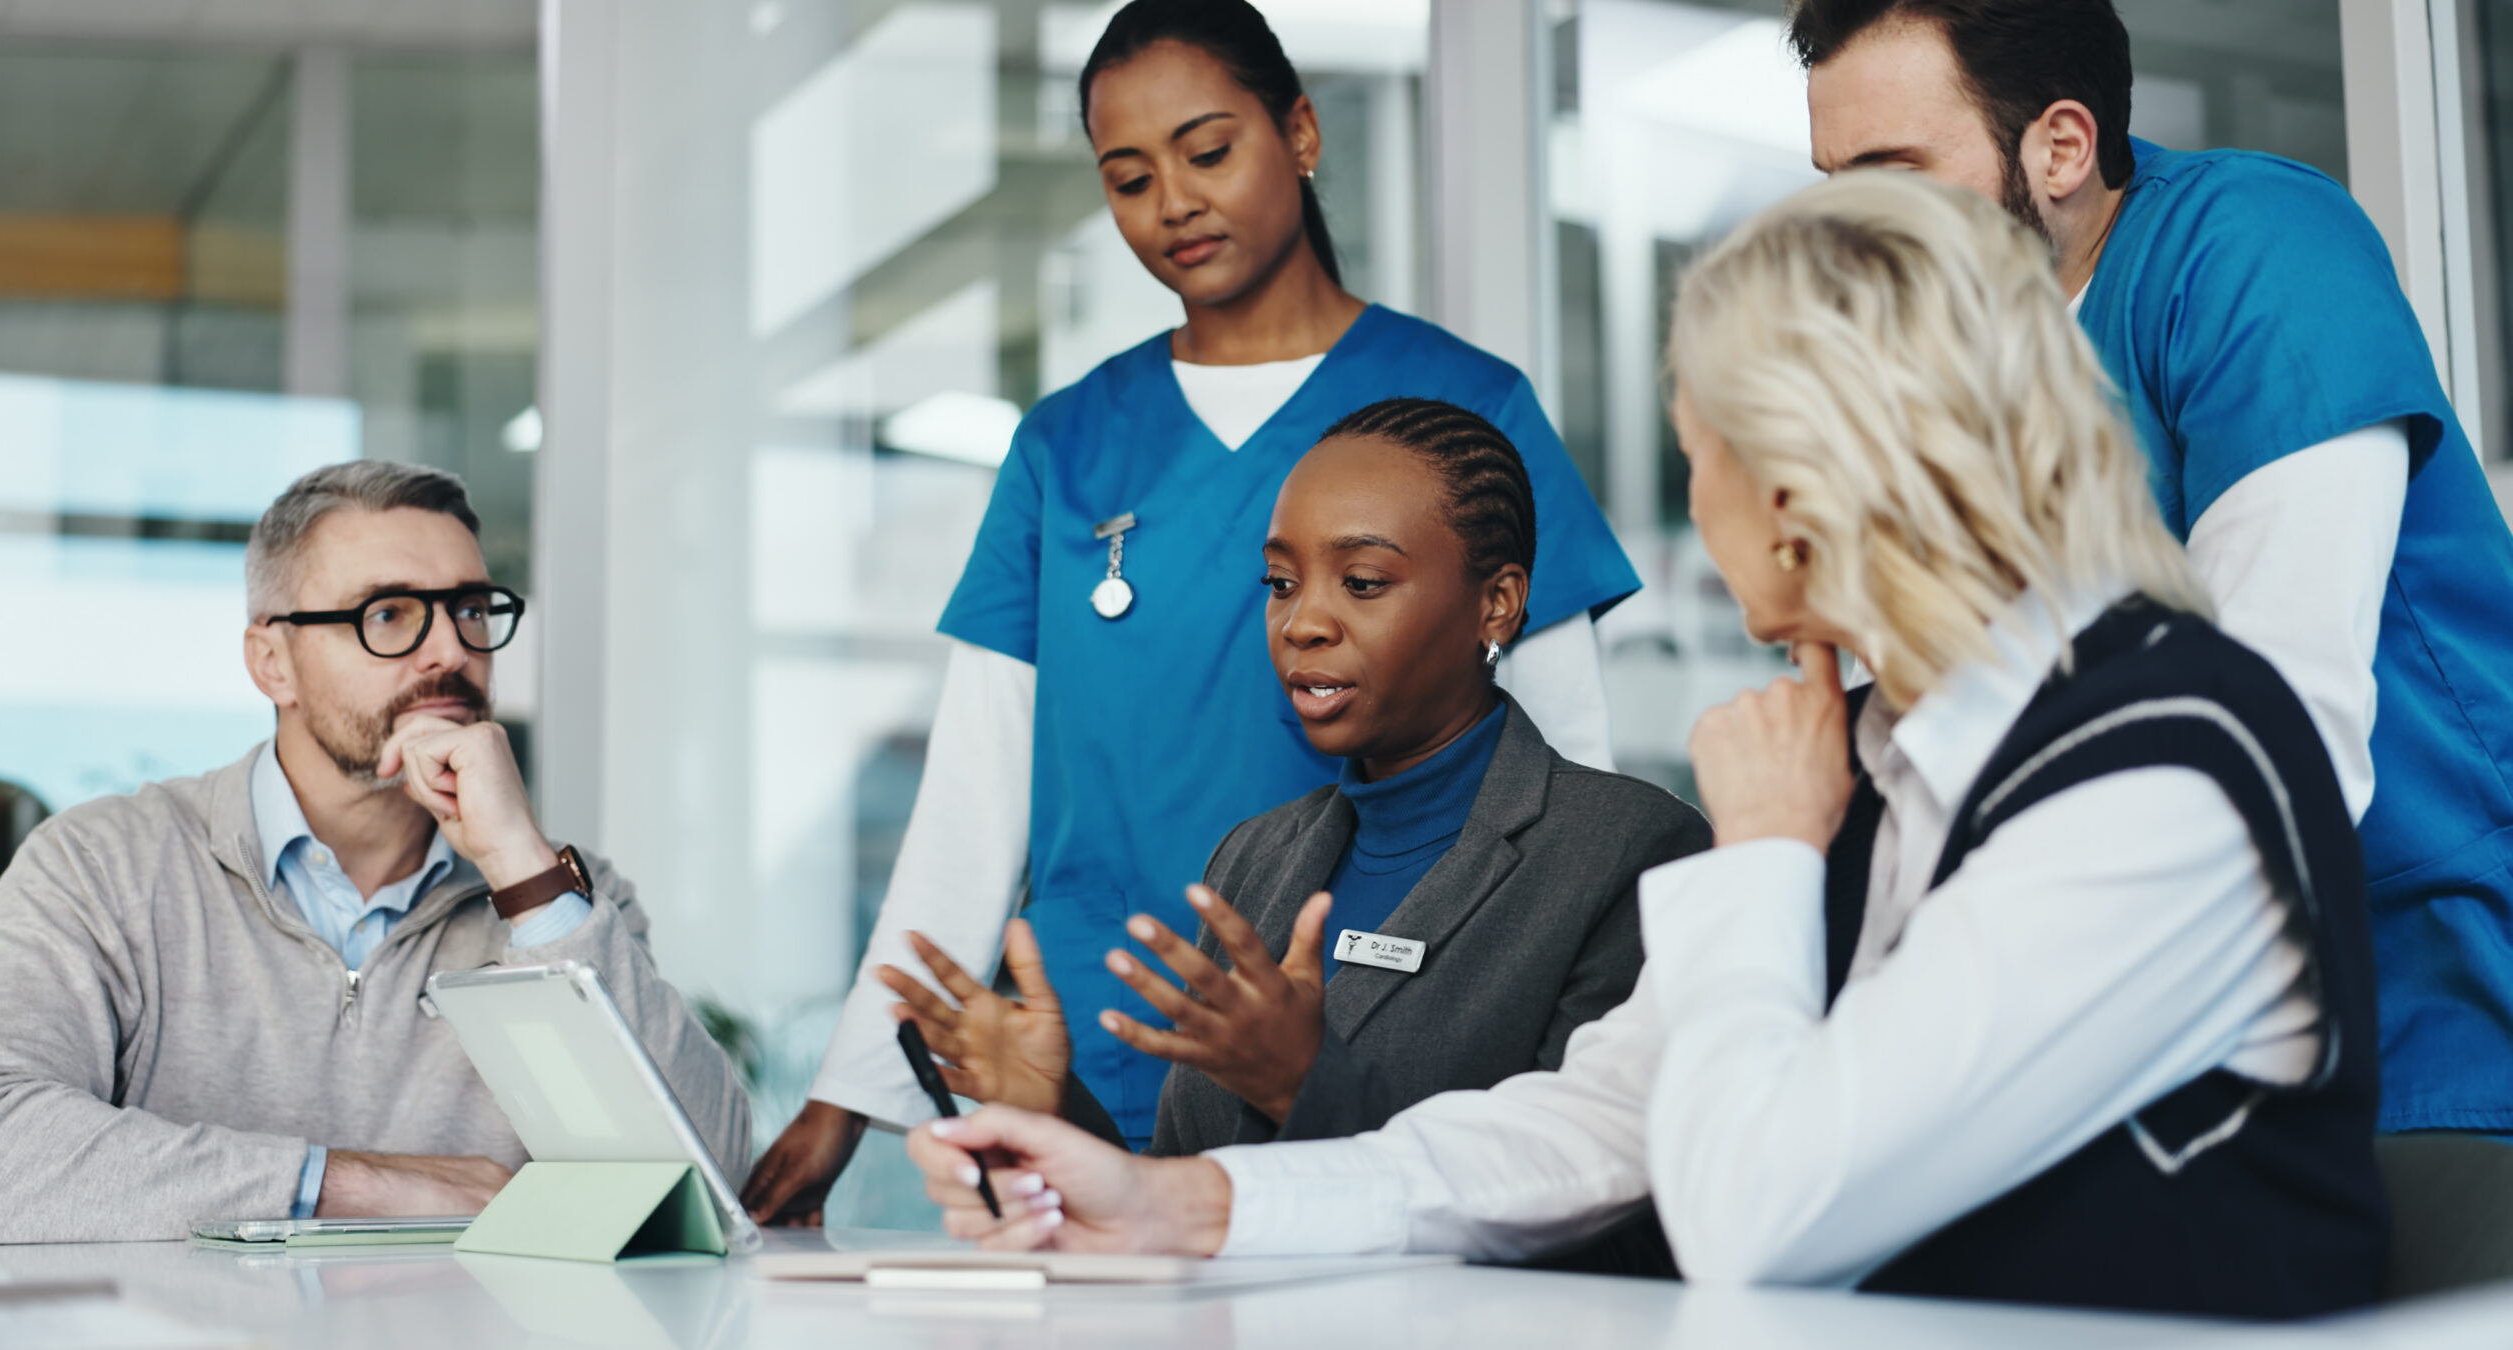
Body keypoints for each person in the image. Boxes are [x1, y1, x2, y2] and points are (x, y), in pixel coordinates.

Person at [904, 174, 2390, 1319]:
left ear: (1798, 496)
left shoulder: (2160, 774)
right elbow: (1603, 1116)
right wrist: (1177, 1205)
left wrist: (1759, 856)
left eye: (1698, 455)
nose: (1690, 495)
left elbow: (1757, 1208)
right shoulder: (1882, 751)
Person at [744, 0, 1638, 1218]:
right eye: (1128, 176)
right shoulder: (1066, 445)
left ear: (1302, 133)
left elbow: (1566, 792)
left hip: (1364, 1032)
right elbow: (973, 792)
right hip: (1088, 1037)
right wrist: (849, 1090)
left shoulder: (1463, 405)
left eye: (1208, 150)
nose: (1173, 200)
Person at [1794, 0, 2513, 1142]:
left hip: (2430, 969)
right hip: (2160, 1006)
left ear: (2061, 148)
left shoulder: (2257, 252)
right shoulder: (1968, 357)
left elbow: (2281, 741)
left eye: (1894, 173)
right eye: (1834, 181)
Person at [880, 399, 1706, 1158]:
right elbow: (1188, 1191)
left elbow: (1597, 1205)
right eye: (1280, 583)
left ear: (1496, 604)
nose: (1302, 622)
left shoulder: (1633, 857)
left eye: (1364, 582)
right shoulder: (1256, 858)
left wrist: (1302, 1085)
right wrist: (1053, 1107)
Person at [0, 462, 747, 1244]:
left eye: (470, 609)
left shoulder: (562, 900)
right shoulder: (102, 867)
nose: (449, 649)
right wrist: (355, 1184)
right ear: (273, 663)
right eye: (391, 613)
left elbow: (706, 1183)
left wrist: (520, 869)